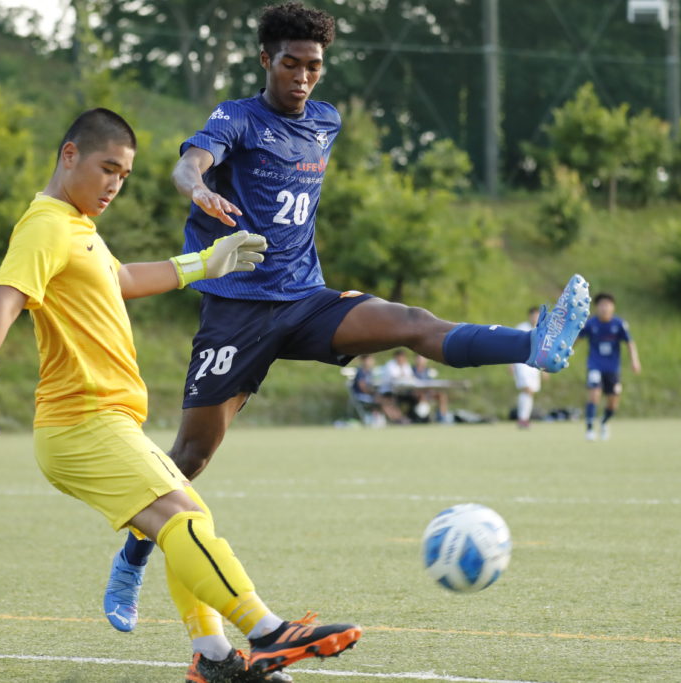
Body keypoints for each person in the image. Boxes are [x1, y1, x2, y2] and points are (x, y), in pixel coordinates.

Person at [107, 1, 591, 627]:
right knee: (192, 456)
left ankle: (534, 345)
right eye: (291, 64)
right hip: (236, 310)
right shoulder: (237, 117)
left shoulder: (326, 120)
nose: (303, 77)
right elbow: (190, 162)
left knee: (411, 322)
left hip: (306, 299)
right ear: (265, 60)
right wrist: (198, 187)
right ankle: (132, 558)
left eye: (314, 66)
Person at [0, 108, 359, 683]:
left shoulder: (77, 227)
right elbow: (4, 297)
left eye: (124, 176)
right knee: (184, 518)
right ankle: (268, 631)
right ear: (69, 154)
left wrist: (201, 264)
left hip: (104, 420)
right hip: (82, 421)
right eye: (107, 168)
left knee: (189, 517)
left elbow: (120, 279)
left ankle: (214, 657)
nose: (114, 186)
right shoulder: (45, 225)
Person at [578, 293, 640, 441]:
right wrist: (565, 353)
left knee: (613, 402)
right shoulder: (590, 324)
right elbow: (577, 339)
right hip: (595, 365)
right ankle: (590, 429)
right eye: (601, 305)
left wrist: (635, 361)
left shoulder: (619, 324)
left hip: (612, 369)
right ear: (596, 307)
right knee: (594, 394)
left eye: (607, 305)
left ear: (613, 307)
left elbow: (630, 343)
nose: (604, 308)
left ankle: (604, 421)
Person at [510, 306, 545, 429]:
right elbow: (512, 346)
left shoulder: (542, 330)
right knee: (527, 389)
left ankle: (524, 419)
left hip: (535, 365)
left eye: (537, 315)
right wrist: (510, 363)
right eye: (533, 315)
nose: (535, 318)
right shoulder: (521, 328)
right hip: (522, 363)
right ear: (529, 316)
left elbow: (543, 350)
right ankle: (522, 419)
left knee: (531, 392)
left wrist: (544, 369)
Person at [350, 353, 390, 425]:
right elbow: (363, 388)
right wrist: (374, 393)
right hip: (362, 395)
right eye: (369, 360)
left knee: (389, 399)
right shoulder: (360, 372)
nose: (371, 362)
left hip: (371, 394)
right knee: (383, 401)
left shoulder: (370, 371)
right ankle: (397, 419)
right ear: (364, 361)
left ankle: (399, 418)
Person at [412, 354, 451, 423]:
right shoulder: (412, 370)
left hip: (428, 393)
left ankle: (442, 418)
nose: (421, 361)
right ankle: (423, 418)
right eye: (419, 359)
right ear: (416, 360)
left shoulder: (428, 371)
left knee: (442, 396)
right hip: (416, 393)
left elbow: (431, 383)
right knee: (422, 395)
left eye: (422, 359)